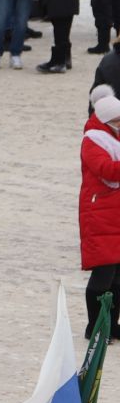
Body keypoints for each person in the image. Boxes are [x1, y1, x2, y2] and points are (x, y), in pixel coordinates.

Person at [80, 93, 120, 336]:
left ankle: (111, 325)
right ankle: (95, 326)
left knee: (117, 274)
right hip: (100, 214)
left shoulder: (114, 137)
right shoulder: (93, 140)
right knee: (103, 273)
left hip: (114, 212)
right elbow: (106, 170)